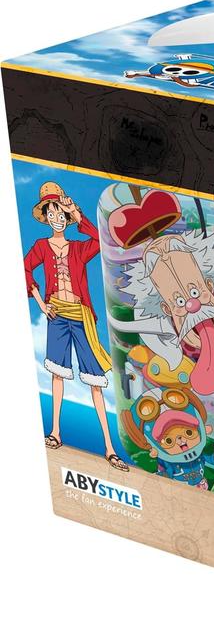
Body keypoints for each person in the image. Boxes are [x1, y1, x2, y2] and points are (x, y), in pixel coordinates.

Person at [23, 181, 128, 471]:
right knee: (57, 375)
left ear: (67, 217)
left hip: (81, 317)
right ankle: (55, 432)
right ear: (46, 217)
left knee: (95, 382)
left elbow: (101, 240)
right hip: (56, 315)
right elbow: (25, 268)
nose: (57, 218)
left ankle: (109, 448)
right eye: (52, 213)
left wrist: (78, 214)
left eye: (61, 213)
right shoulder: (41, 246)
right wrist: (41, 304)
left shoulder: (79, 248)